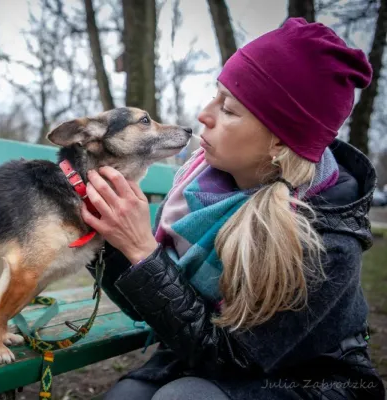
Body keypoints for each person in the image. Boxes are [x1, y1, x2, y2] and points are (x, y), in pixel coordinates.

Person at [81, 18, 386, 400]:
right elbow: (145, 309)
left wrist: (144, 251)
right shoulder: (195, 189)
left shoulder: (328, 239)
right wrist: (106, 236)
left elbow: (233, 360)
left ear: (279, 141)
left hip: (309, 380)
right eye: (215, 95)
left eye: (228, 108)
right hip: (193, 354)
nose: (203, 115)